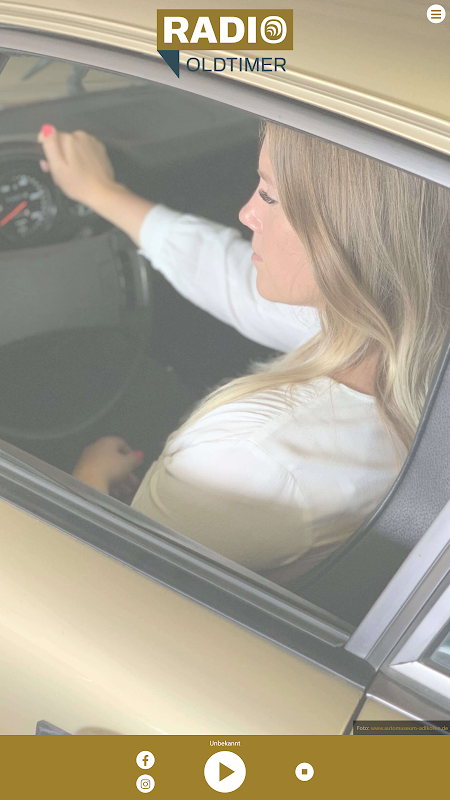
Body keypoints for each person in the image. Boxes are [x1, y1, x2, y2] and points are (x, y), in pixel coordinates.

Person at [37, 122, 450, 585]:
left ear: (353, 235)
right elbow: (235, 283)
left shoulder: (252, 454)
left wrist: (88, 477)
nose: (247, 212)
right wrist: (102, 192)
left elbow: (103, 583)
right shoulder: (411, 338)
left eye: (269, 196)